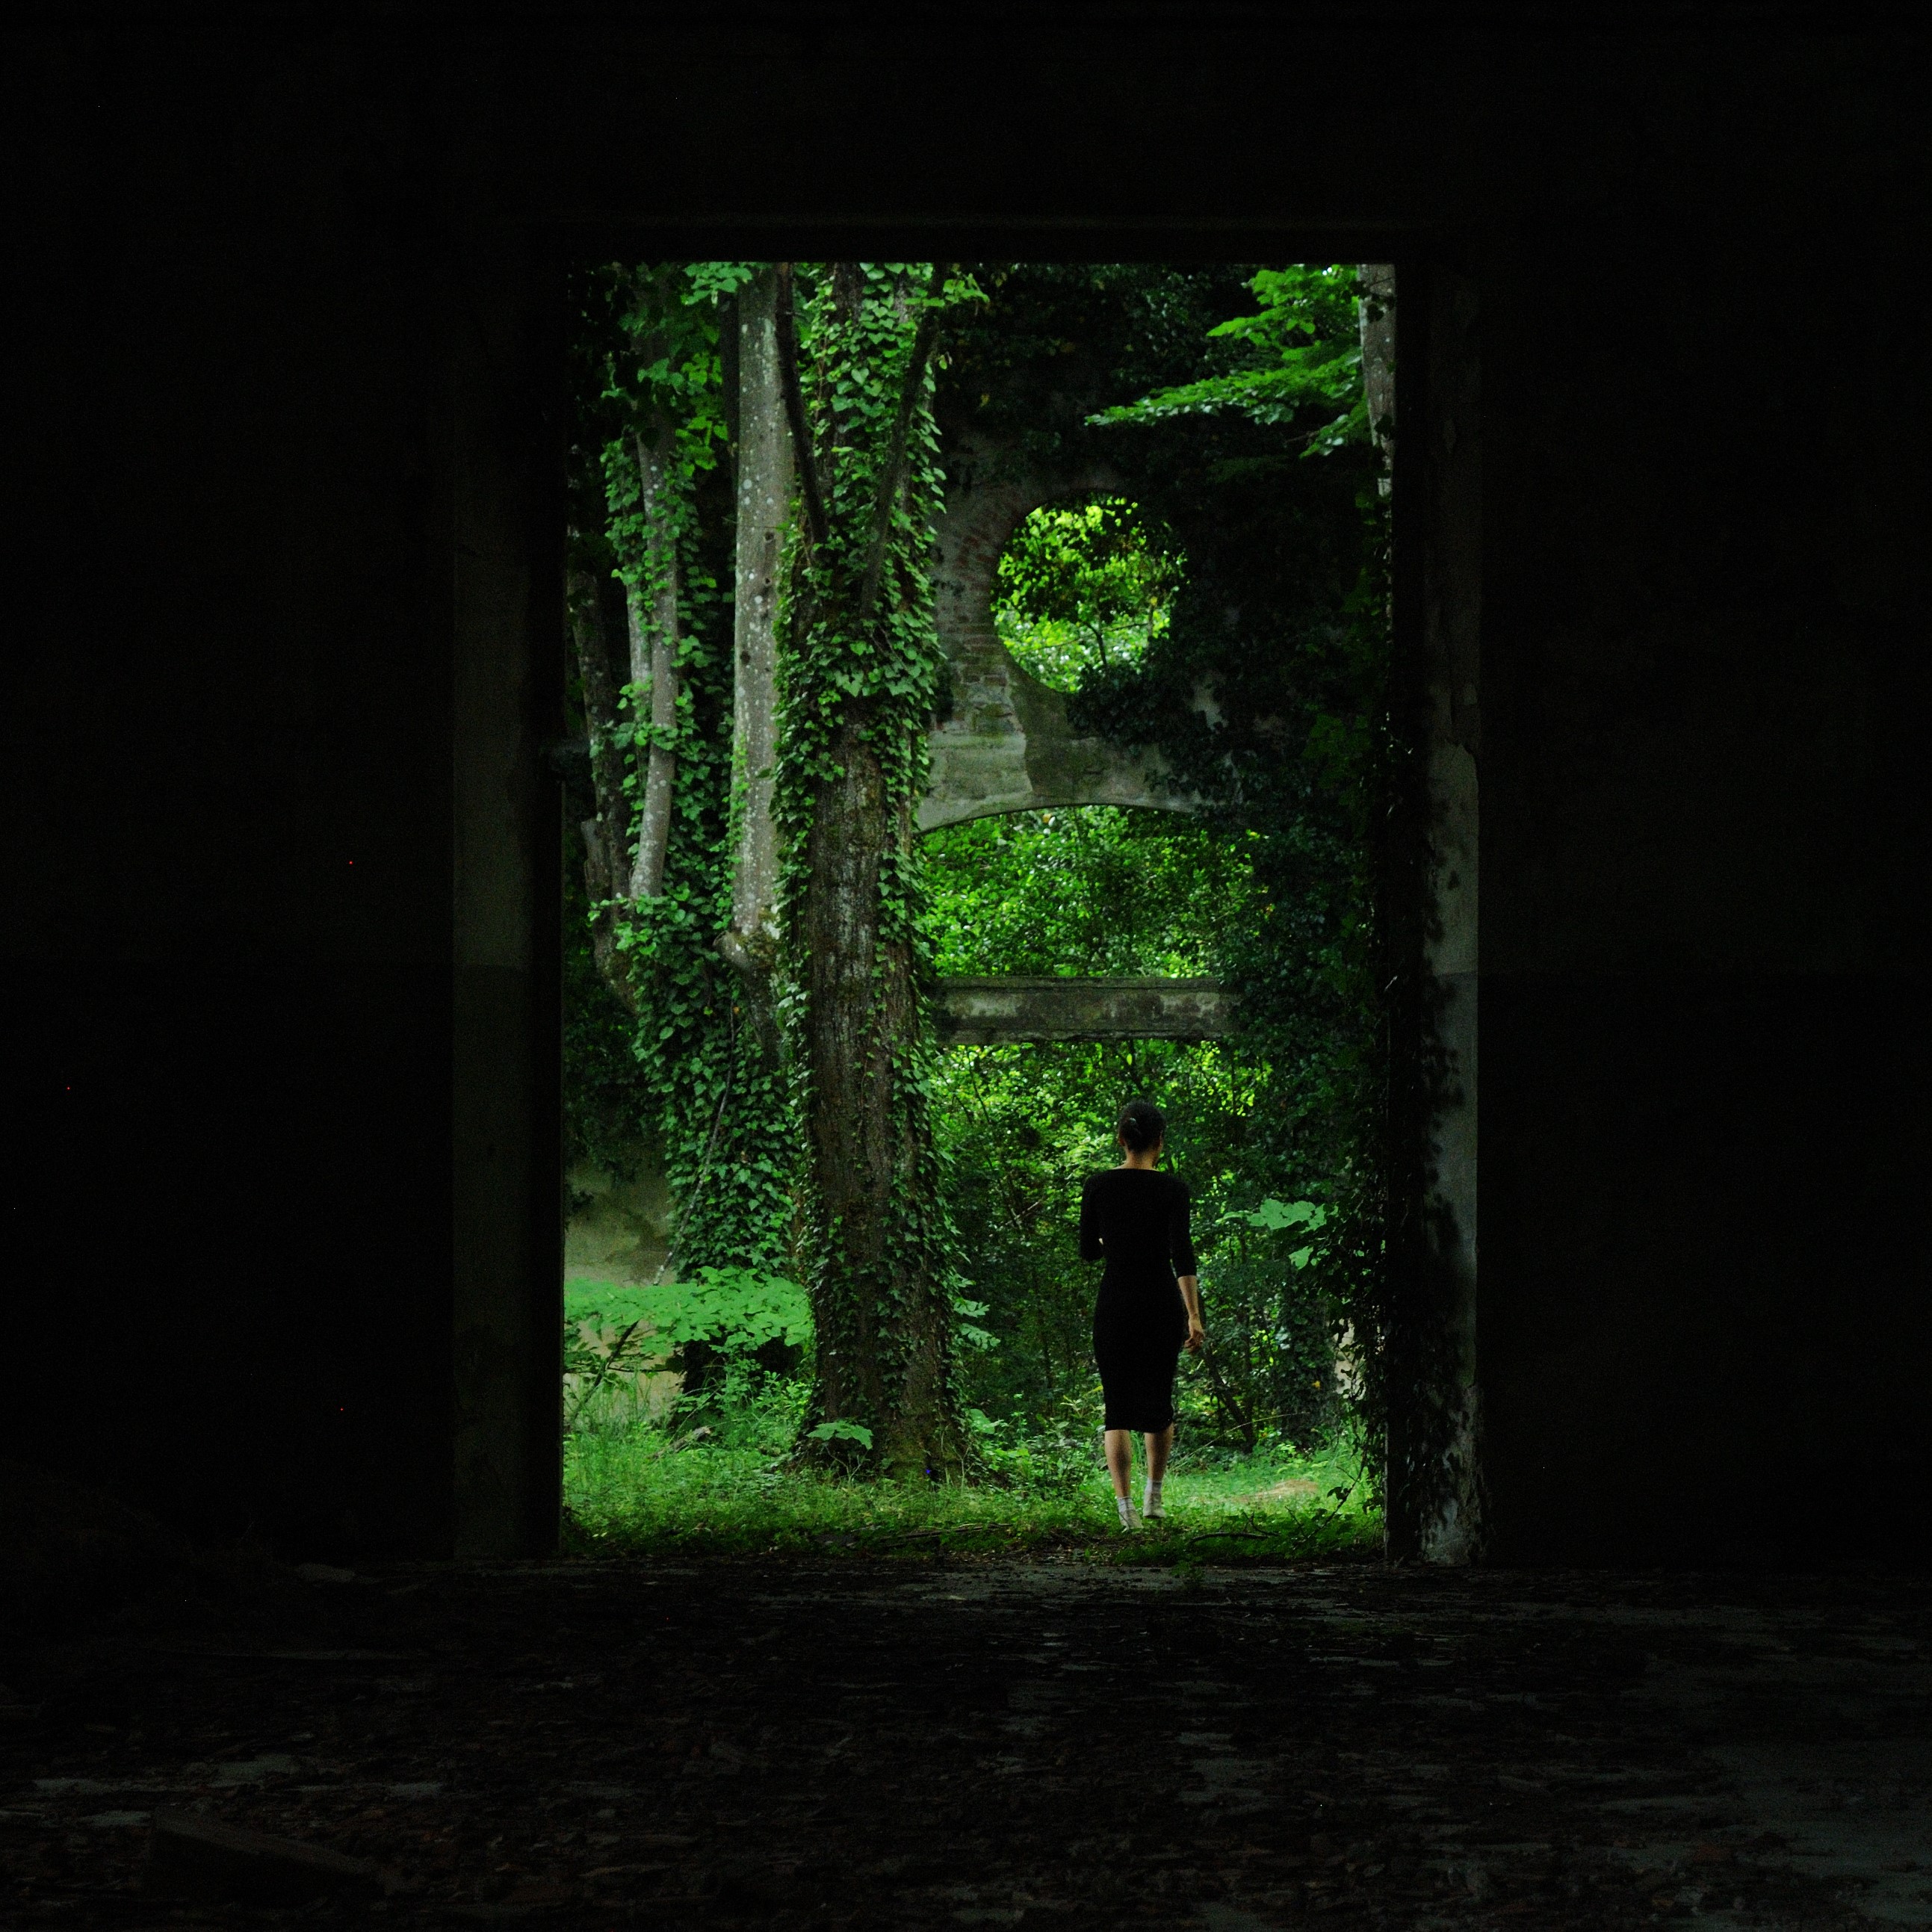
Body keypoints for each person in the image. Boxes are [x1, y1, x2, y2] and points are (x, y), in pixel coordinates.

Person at [1080, 1099, 1205, 1530]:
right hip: (1160, 1305)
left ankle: (1125, 1510)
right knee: (1158, 1402)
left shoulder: (1097, 1186)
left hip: (1115, 1304)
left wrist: (1114, 1239)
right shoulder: (1173, 1189)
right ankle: (1155, 1498)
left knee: (1117, 1408)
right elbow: (1182, 1256)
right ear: (1160, 1143)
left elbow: (1086, 1251)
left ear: (1121, 1139)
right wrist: (1193, 1315)